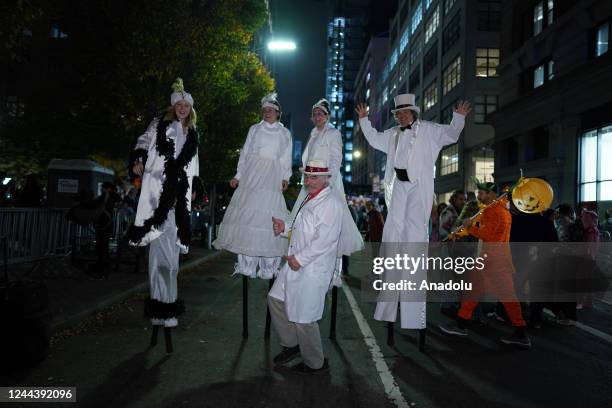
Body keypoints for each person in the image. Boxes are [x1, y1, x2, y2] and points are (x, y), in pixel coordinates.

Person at [356, 94, 471, 329]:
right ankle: (387, 304)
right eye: (398, 113)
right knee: (393, 233)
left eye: (405, 112)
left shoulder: (429, 130)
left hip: (419, 185)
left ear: (414, 113)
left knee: (415, 239)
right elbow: (374, 138)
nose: (401, 116)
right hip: (398, 185)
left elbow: (451, 133)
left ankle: (412, 316)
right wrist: (364, 120)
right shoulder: (393, 134)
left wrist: (458, 117)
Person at [127, 78, 199, 345]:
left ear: (190, 109)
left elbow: (194, 166)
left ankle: (165, 308)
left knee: (170, 261)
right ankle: (162, 310)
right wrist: (138, 159)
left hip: (177, 200)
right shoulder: (158, 125)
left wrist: (195, 188)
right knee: (158, 258)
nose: (181, 108)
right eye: (178, 104)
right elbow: (143, 142)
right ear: (173, 107)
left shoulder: (192, 133)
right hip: (156, 195)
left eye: (185, 105)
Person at [268, 160, 343, 374]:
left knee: (304, 317)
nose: (308, 181)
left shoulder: (330, 204)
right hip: (296, 263)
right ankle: (293, 345)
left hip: (310, 268)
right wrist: (284, 228)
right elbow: (301, 228)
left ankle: (315, 363)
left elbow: (325, 239)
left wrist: (300, 258)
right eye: (307, 176)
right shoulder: (311, 198)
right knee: (276, 299)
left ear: (326, 178)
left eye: (314, 177)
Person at [439, 181, 531, 348]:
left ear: (492, 195)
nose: (479, 196)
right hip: (489, 259)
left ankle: (521, 332)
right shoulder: (492, 210)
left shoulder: (497, 212)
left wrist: (470, 227)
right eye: (479, 192)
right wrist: (461, 231)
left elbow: (489, 235)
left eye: (482, 193)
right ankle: (461, 324)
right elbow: (479, 227)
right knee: (474, 291)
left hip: (495, 262)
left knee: (507, 297)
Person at [213, 92, 292, 279]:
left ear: (278, 112)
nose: (267, 113)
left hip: (272, 174)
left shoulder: (284, 133)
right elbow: (245, 153)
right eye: (264, 110)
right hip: (252, 174)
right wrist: (238, 175)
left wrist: (286, 177)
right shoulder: (254, 129)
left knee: (269, 214)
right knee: (248, 215)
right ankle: (246, 265)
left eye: (271, 110)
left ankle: (269, 267)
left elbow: (286, 157)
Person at [289, 98, 363, 285]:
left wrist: (326, 180)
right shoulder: (313, 135)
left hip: (328, 182)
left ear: (327, 116)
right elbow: (308, 159)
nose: (317, 116)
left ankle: (334, 274)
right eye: (315, 114)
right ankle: (307, 265)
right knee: (307, 222)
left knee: (332, 225)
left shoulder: (333, 133)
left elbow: (336, 158)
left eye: (321, 113)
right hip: (311, 182)